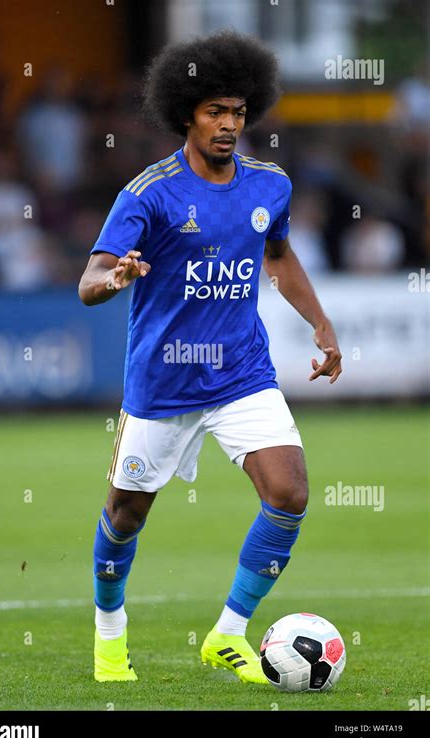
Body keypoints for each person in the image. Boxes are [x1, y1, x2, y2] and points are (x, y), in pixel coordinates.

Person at [78, 30, 342, 684]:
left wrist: (321, 324)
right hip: (163, 386)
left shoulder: (269, 186)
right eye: (213, 112)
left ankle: (227, 634)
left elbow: (277, 256)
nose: (228, 124)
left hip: (241, 374)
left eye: (237, 111)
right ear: (185, 115)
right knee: (124, 516)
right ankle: (110, 640)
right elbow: (90, 280)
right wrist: (114, 279)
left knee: (290, 492)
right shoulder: (149, 193)